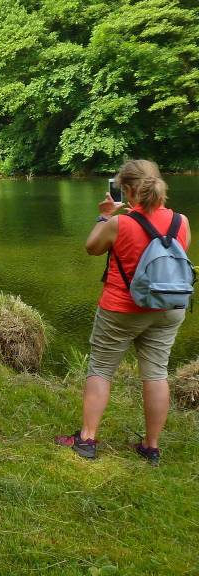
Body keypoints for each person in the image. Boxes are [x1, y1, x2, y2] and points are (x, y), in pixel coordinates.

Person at [56, 160, 191, 465]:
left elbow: (91, 247)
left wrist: (104, 216)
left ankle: (87, 440)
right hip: (169, 307)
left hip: (123, 308)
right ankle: (150, 447)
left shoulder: (120, 223)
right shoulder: (180, 221)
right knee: (156, 373)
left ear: (128, 190)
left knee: (101, 369)